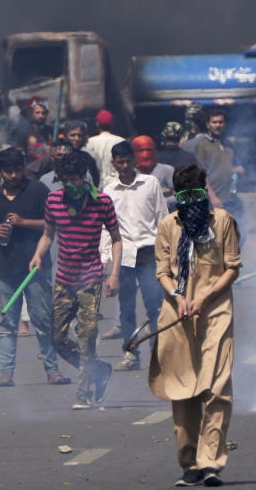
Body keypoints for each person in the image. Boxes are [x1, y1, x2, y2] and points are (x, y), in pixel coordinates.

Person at [150, 163, 241, 487]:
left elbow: (232, 267)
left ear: (206, 191)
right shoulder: (168, 225)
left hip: (215, 312)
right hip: (177, 315)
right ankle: (189, 465)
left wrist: (203, 298)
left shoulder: (223, 221)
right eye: (184, 196)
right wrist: (178, 297)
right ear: (177, 196)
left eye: (197, 195)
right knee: (183, 390)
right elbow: (163, 271)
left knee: (217, 389)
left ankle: (210, 463)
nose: (192, 203)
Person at [29, 151, 121, 409]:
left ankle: (82, 394)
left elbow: (116, 238)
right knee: (56, 338)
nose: (71, 184)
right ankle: (98, 370)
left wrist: (114, 274)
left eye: (75, 179)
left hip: (90, 279)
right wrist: (38, 255)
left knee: (86, 336)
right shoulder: (54, 200)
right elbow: (48, 234)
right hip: (63, 279)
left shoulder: (101, 202)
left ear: (84, 177)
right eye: (65, 179)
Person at [0, 148, 68, 386]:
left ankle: (53, 371)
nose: (14, 176)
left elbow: (53, 222)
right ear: (1, 172)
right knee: (8, 322)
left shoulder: (37, 190)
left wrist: (24, 222)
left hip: (36, 268)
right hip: (5, 270)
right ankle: (6, 372)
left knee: (42, 320)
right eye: (8, 171)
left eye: (18, 170)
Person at [100, 141, 168, 371]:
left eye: (129, 161)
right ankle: (130, 355)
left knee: (154, 305)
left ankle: (159, 353)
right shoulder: (109, 191)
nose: (125, 166)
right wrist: (104, 261)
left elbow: (162, 218)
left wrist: (167, 254)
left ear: (135, 160)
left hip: (150, 251)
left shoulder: (150, 183)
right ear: (114, 163)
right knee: (126, 309)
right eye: (120, 162)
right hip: (124, 255)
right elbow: (106, 228)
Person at [194, 109, 245, 244]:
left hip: (231, 197)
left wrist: (238, 168)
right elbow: (201, 174)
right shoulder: (203, 145)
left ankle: (231, 263)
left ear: (225, 124)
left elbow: (235, 163)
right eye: (214, 122)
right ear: (208, 125)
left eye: (220, 122)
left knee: (239, 234)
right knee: (217, 238)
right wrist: (212, 196)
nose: (217, 125)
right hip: (214, 199)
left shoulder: (228, 143)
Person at [84, 109, 125, 188]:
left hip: (96, 185)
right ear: (113, 123)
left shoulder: (89, 142)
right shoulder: (121, 141)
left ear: (97, 124)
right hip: (116, 184)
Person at [132, 135, 175, 209]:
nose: (145, 155)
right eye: (141, 151)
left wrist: (163, 202)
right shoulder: (131, 174)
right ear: (134, 154)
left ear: (155, 152)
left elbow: (180, 195)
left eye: (149, 150)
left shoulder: (167, 170)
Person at [9, 97, 52, 163]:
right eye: (37, 113)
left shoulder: (52, 130)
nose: (41, 116)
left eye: (43, 113)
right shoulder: (23, 132)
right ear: (31, 114)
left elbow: (66, 149)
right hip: (35, 171)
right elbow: (19, 154)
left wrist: (54, 150)